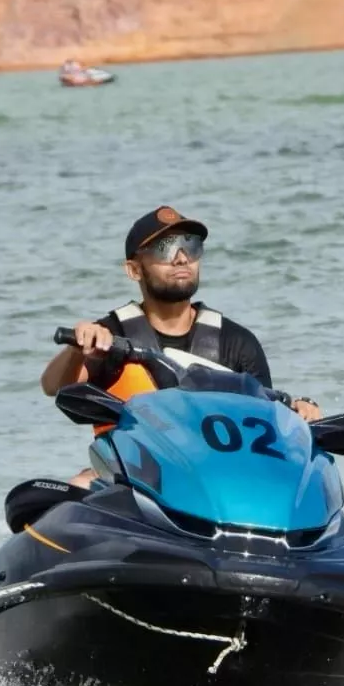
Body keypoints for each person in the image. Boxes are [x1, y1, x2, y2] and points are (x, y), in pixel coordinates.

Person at [40, 205, 322, 487]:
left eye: (191, 246)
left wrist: (298, 410)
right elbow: (56, 387)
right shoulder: (108, 335)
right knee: (79, 485)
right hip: (133, 478)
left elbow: (265, 419)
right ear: (134, 269)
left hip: (219, 483)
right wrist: (76, 348)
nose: (181, 258)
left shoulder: (237, 342)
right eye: (165, 248)